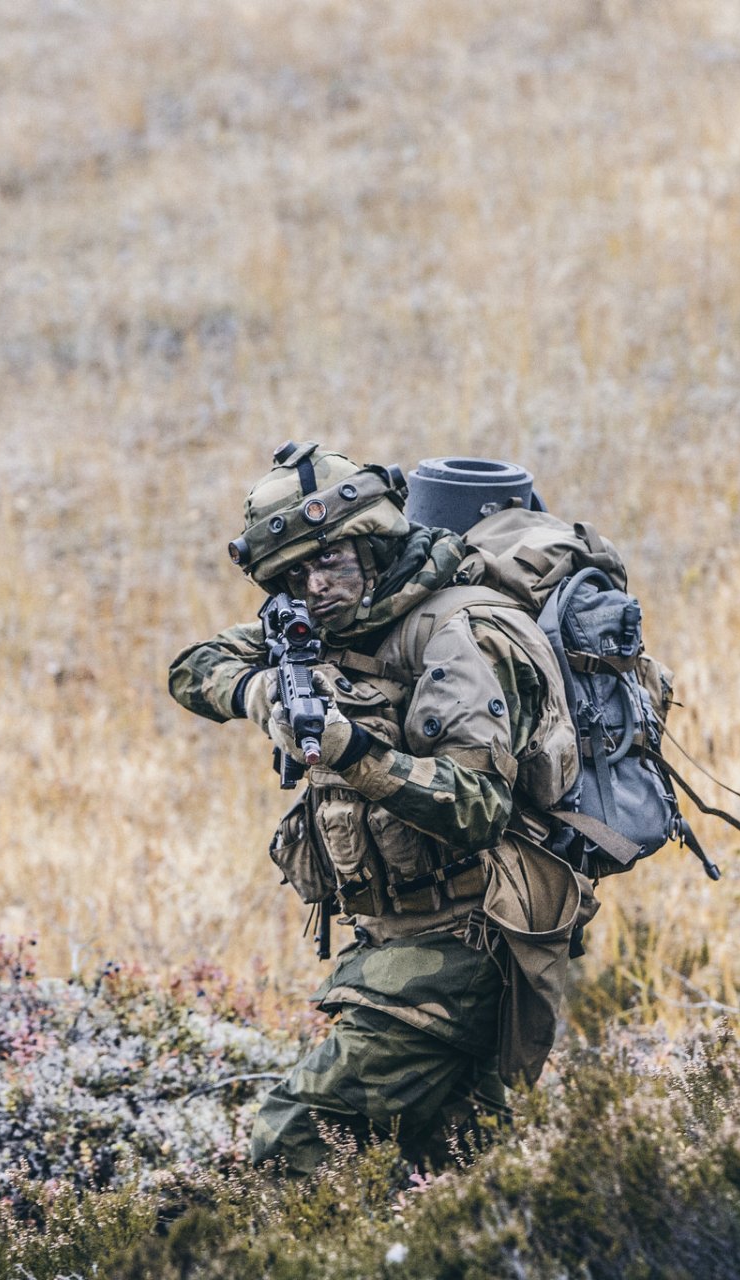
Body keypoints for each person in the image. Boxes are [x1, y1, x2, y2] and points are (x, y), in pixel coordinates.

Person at [168, 441, 593, 1173]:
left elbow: (477, 807)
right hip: (398, 943)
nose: (311, 588)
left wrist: (347, 750)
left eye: (326, 562)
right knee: (453, 1181)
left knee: (290, 1149)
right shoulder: (324, 625)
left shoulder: (461, 635)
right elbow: (192, 666)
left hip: (467, 945)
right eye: (291, 575)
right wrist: (259, 692)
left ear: (374, 542)